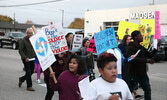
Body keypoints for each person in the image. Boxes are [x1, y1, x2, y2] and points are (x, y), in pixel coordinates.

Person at [127, 30, 158, 100]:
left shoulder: (141, 47)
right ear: (135, 37)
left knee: (147, 90)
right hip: (133, 74)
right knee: (128, 91)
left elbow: (149, 54)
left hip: (142, 74)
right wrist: (146, 60)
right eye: (140, 35)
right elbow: (133, 59)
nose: (142, 37)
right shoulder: (130, 48)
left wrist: (156, 49)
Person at [118, 35, 143, 99]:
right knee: (127, 81)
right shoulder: (120, 46)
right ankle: (127, 95)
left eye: (130, 39)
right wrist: (128, 55)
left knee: (132, 81)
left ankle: (135, 94)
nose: (129, 41)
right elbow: (122, 57)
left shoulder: (131, 46)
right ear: (125, 40)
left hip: (131, 65)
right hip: (124, 66)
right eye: (128, 39)